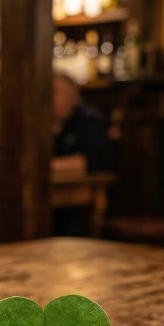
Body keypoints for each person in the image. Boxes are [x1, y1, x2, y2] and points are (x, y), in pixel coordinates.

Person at [51, 73, 110, 236]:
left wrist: (44, 165)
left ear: (72, 95)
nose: (48, 98)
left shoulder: (88, 120)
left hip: (83, 201)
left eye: (55, 92)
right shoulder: (43, 124)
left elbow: (87, 162)